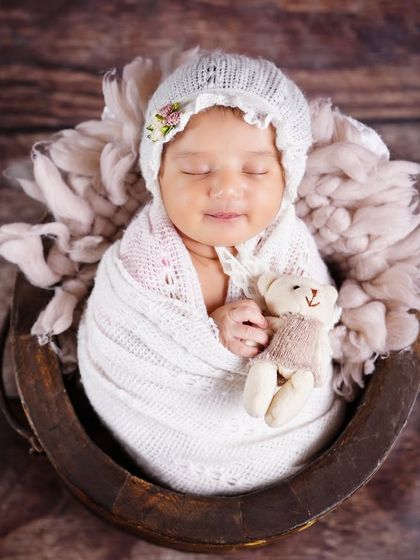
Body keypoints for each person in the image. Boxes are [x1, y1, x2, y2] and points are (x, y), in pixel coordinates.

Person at [77, 49, 346, 496]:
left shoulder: (289, 241)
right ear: (158, 174)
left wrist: (292, 332)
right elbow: (127, 332)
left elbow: (321, 313)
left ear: (287, 178)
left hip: (296, 438)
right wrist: (211, 332)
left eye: (256, 169)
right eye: (196, 168)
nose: (224, 187)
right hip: (171, 433)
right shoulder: (149, 253)